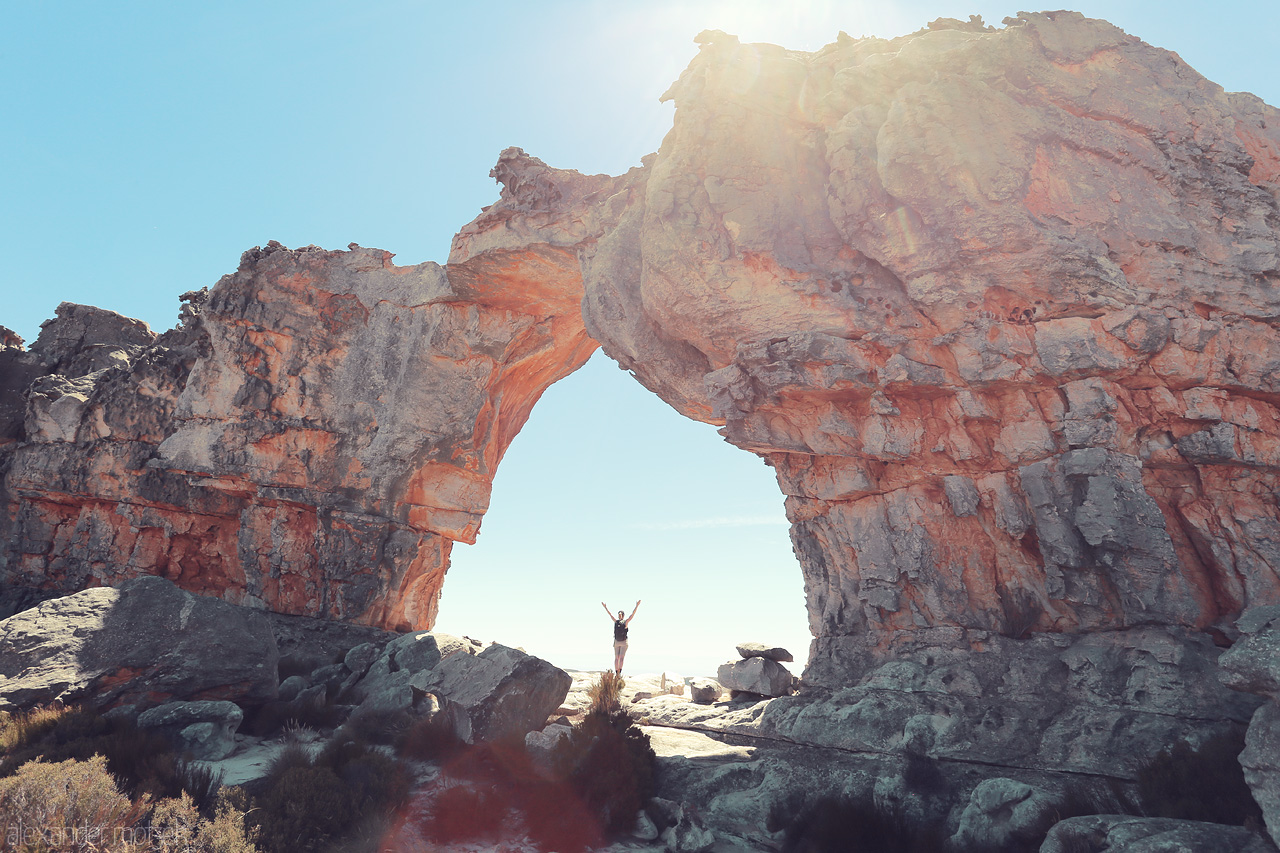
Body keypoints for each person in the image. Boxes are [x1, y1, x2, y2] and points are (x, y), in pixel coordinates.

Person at [601, 599, 640, 674]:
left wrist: (605, 607)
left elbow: (610, 614)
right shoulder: (626, 622)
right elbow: (632, 615)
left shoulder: (616, 621)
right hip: (624, 642)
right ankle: (620, 672)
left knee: (616, 658)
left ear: (619, 616)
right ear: (623, 616)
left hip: (616, 641)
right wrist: (637, 606)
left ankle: (616, 672)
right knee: (621, 658)